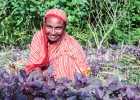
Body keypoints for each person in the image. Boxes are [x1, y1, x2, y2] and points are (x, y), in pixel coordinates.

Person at [26, 8, 90, 80]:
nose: (53, 32)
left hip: (65, 77)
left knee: (65, 59)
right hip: (43, 76)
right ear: (44, 25)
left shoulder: (70, 44)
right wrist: (42, 85)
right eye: (49, 27)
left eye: (58, 28)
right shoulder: (39, 37)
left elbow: (83, 70)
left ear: (64, 28)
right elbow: (34, 64)